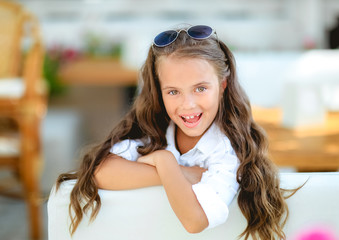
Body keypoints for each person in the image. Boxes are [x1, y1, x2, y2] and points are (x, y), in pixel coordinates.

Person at [56, 24, 293, 240]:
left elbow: (195, 221)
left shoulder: (226, 152)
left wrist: (163, 163)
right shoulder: (153, 130)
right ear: (159, 91)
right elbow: (100, 171)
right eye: (173, 92)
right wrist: (177, 169)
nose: (187, 105)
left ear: (223, 86)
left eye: (200, 88)